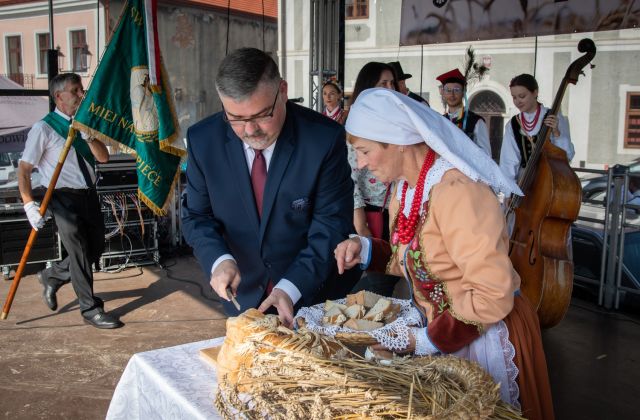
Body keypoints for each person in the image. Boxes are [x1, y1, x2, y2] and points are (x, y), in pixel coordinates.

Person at [334, 88, 554, 420]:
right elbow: (419, 262)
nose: (361, 164)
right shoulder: (407, 188)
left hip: (484, 332)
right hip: (446, 332)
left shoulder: (459, 191)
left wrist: (426, 340)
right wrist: (366, 251)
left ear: (399, 142)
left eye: (364, 151)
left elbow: (492, 293)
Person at [181, 48, 358, 327]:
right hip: (243, 297)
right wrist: (219, 261)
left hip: (312, 295)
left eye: (262, 115)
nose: (251, 131)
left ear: (283, 91)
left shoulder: (322, 139)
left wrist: (289, 287)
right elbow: (196, 216)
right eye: (236, 119)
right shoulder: (203, 140)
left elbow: (330, 225)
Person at [18, 73, 123, 329]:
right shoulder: (44, 128)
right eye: (75, 91)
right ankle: (90, 309)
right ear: (59, 96)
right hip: (62, 197)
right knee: (78, 252)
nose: (81, 95)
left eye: (81, 90)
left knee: (95, 249)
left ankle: (52, 275)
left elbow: (104, 158)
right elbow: (24, 169)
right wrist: (29, 204)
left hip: (88, 194)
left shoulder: (83, 124)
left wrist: (88, 136)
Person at [346, 62, 401, 297]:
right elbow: (351, 179)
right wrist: (361, 224)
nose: (389, 88)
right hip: (369, 213)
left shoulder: (399, 121)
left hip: (396, 212)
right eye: (382, 83)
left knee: (390, 272)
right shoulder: (358, 123)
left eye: (392, 83)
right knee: (378, 277)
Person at [500, 73, 575, 184]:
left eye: (522, 96)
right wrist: (508, 190)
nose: (517, 101)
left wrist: (556, 133)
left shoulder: (554, 116)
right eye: (514, 97)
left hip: (551, 181)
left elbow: (567, 156)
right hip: (525, 182)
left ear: (535, 92)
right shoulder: (513, 124)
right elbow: (509, 161)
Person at [436, 68, 492, 157]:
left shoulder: (476, 121)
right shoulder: (439, 121)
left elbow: (486, 155)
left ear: (463, 92)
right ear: (443, 93)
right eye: (448, 90)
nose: (452, 94)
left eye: (457, 90)